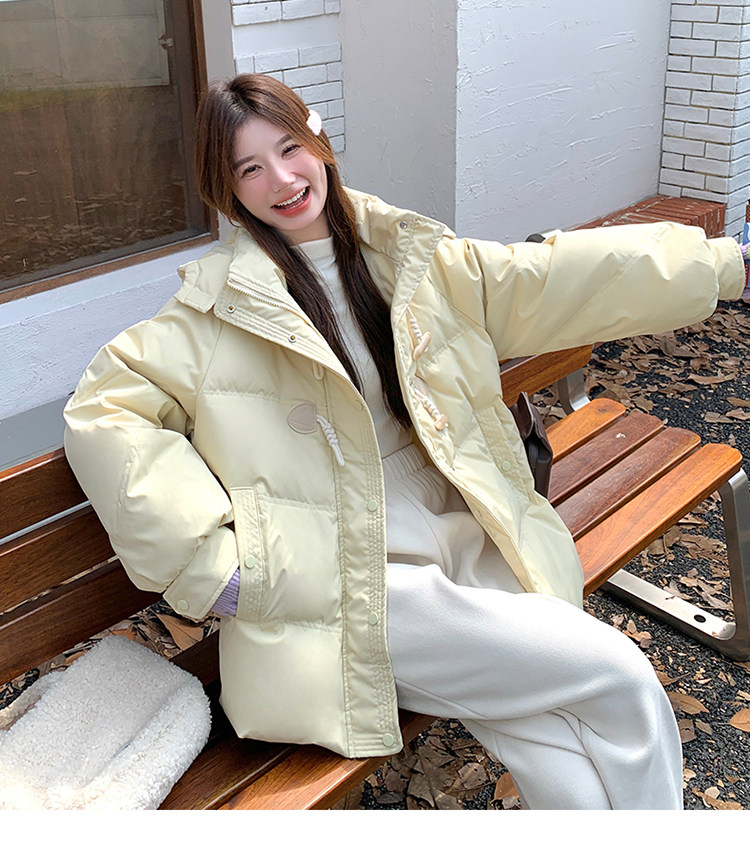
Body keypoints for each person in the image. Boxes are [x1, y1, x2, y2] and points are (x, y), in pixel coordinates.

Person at [64, 73, 749, 810]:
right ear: (226, 188)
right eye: (249, 168)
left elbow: (551, 278)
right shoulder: (210, 315)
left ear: (319, 141)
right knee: (618, 675)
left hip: (457, 529)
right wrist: (219, 570)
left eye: (289, 149)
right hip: (346, 575)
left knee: (561, 750)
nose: (282, 180)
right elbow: (104, 412)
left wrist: (724, 264)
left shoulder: (410, 257)